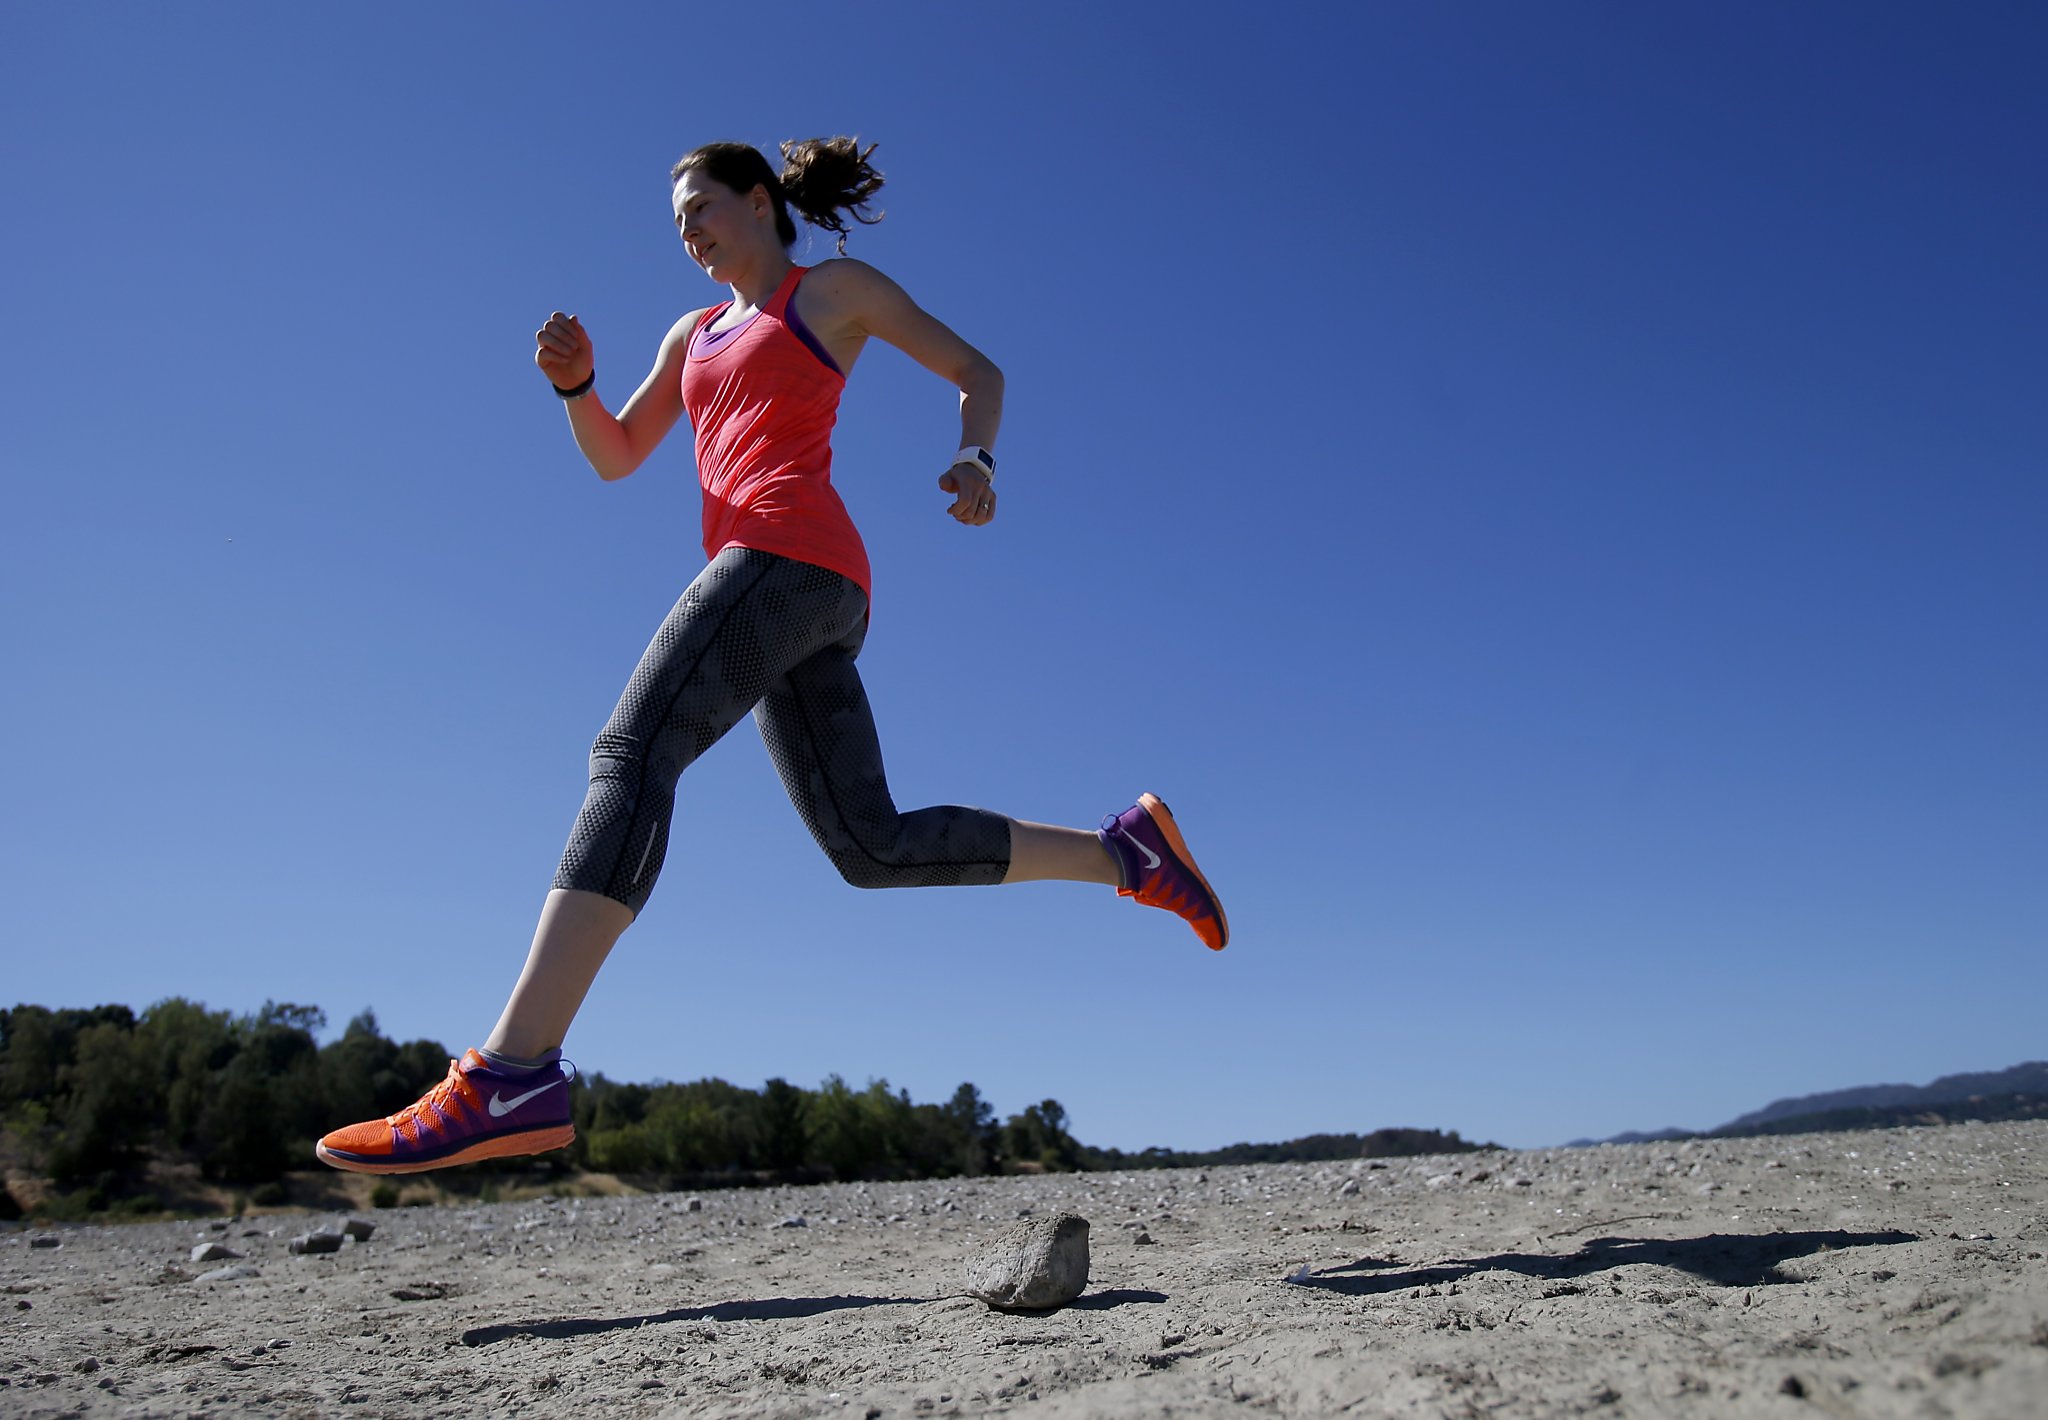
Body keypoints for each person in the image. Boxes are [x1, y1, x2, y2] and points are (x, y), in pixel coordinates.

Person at [314, 138, 1226, 1176]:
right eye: (676, 224)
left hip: (791, 557)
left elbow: (977, 370)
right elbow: (617, 456)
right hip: (796, 592)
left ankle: (512, 1069)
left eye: (701, 208)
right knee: (867, 844)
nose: (689, 233)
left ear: (759, 201)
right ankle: (1125, 852)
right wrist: (577, 390)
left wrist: (975, 457)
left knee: (630, 753)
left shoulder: (826, 291)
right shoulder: (690, 333)